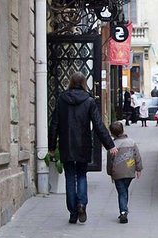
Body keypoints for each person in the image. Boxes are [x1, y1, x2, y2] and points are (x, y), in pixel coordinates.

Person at [49, 72, 118, 224]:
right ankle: (81, 204)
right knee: (81, 175)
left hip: (66, 144)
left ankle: (73, 212)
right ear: (84, 83)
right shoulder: (89, 101)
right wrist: (110, 144)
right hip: (83, 144)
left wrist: (52, 146)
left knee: (69, 177)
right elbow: (98, 124)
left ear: (71, 82)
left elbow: (54, 124)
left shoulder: (62, 99)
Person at [107, 121, 143, 223]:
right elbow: (137, 156)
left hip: (117, 172)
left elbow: (110, 161)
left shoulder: (112, 145)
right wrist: (138, 168)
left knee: (122, 192)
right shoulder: (131, 142)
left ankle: (123, 212)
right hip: (129, 170)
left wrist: (110, 172)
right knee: (124, 190)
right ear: (123, 130)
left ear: (112, 133)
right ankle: (124, 209)